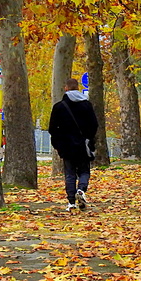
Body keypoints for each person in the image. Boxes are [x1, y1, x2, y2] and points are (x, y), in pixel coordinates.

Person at [47, 78, 99, 211]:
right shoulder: (87, 105)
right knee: (84, 171)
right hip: (83, 145)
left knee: (69, 174)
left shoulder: (59, 107)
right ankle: (81, 190)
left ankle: (71, 202)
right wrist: (89, 138)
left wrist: (58, 144)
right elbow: (94, 125)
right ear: (77, 88)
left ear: (66, 88)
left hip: (66, 146)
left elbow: (52, 128)